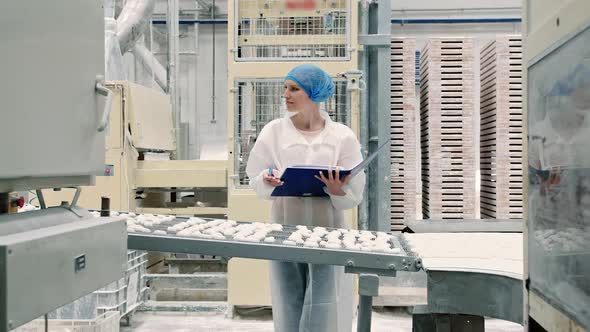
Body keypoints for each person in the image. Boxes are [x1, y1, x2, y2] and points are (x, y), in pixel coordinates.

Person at [245, 64, 366, 332]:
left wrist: (337, 190)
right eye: (285, 88)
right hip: (285, 226)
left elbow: (355, 186)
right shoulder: (274, 131)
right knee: (288, 298)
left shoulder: (341, 135)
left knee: (327, 299)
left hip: (329, 229)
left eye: (294, 89)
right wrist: (266, 179)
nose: (285, 95)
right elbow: (255, 173)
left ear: (313, 93)